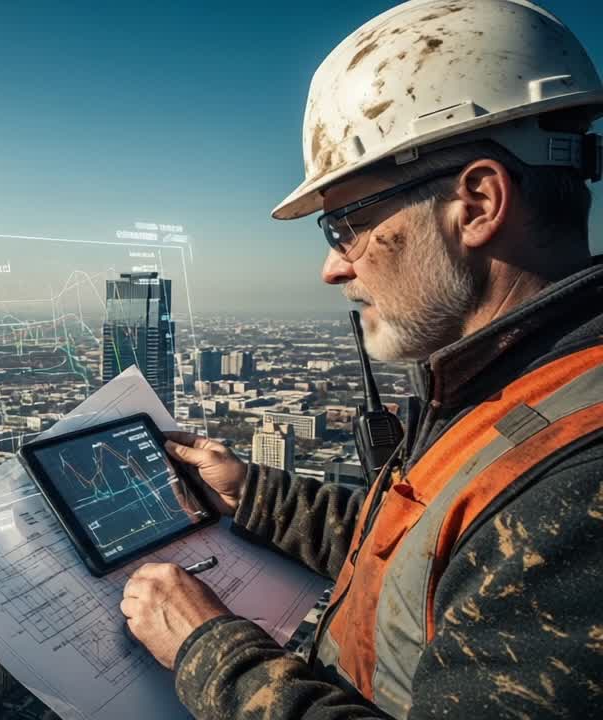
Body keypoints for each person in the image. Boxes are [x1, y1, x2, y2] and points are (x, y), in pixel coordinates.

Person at [117, 1, 603, 717]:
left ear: (476, 203)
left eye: (346, 224)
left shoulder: (580, 493)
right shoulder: (512, 389)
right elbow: (424, 562)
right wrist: (253, 493)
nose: (332, 269)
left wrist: (207, 648)